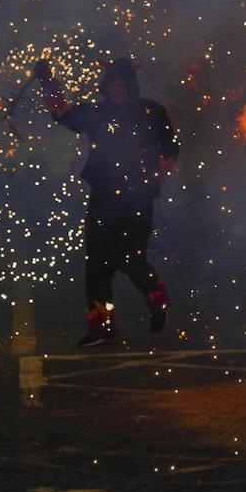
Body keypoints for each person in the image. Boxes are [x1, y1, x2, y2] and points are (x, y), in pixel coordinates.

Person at [36, 57, 179, 347]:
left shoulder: (151, 111)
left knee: (129, 257)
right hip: (104, 196)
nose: (117, 90)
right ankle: (103, 325)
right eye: (112, 84)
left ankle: (156, 297)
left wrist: (154, 182)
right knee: (98, 261)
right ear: (105, 85)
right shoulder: (95, 112)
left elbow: (170, 149)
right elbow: (62, 114)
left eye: (122, 84)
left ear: (131, 85)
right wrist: (48, 82)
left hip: (138, 197)